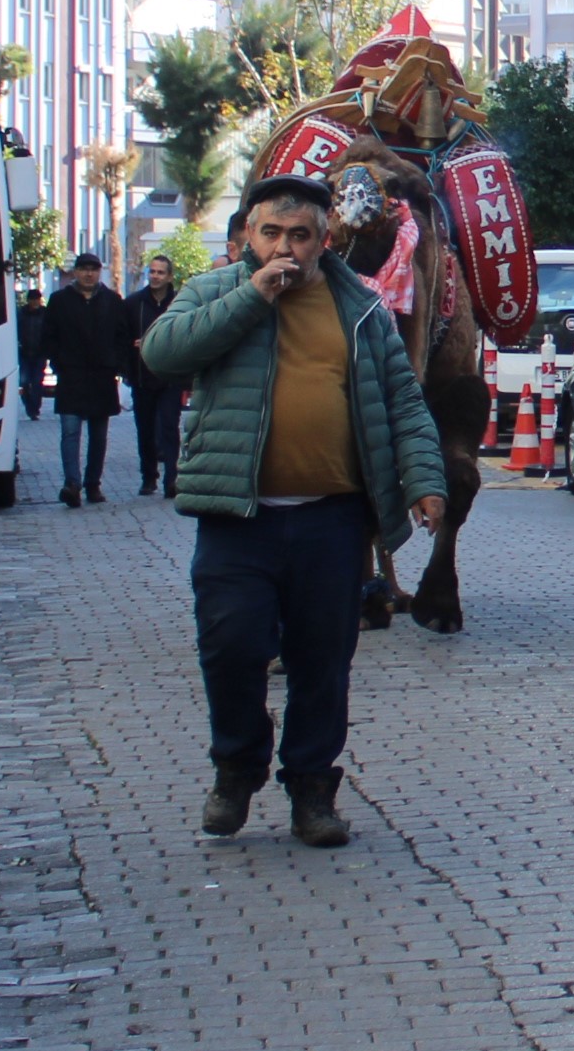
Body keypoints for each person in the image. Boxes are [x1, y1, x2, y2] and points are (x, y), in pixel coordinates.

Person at [140, 174, 445, 849]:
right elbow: (163, 355)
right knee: (232, 647)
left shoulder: (359, 308)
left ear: (324, 239)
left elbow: (403, 401)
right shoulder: (215, 292)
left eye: (300, 235)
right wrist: (252, 297)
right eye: (271, 233)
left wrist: (426, 480)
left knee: (322, 659)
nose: (286, 247)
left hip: (331, 521)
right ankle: (237, 768)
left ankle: (312, 788)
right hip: (235, 517)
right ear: (248, 237)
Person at [41, 251, 138, 508]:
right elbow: (48, 336)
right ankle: (72, 483)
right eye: (83, 269)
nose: (88, 274)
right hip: (71, 375)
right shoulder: (60, 300)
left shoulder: (112, 301)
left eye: (93, 269)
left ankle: (93, 483)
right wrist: (58, 362)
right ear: (75, 272)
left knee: (99, 435)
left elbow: (122, 336)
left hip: (102, 376)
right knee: (70, 432)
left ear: (99, 272)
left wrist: (116, 364)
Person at [127, 250, 189, 496]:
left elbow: (186, 335)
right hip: (142, 376)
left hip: (171, 377)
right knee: (145, 429)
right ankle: (148, 476)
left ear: (169, 276)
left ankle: (171, 479)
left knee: (169, 428)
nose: (155, 276)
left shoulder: (180, 304)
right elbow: (124, 338)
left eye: (160, 272)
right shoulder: (134, 303)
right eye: (152, 271)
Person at [15, 280, 51, 420]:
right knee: (24, 382)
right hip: (24, 353)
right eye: (33, 300)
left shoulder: (45, 314)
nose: (35, 302)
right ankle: (29, 406)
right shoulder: (21, 314)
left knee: (37, 382)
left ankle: (34, 409)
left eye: (37, 300)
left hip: (40, 353)